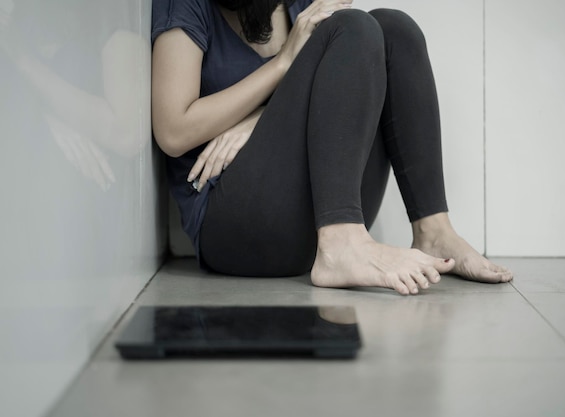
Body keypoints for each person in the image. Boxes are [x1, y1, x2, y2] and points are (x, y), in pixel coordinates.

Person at [151, 0, 513, 295]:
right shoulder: (187, 4)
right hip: (232, 226)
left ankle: (434, 233)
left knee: (392, 28)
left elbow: (320, 91)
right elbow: (172, 131)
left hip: (313, 222)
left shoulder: (300, 7)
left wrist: (258, 118)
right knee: (352, 28)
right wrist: (283, 63)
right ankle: (341, 243)